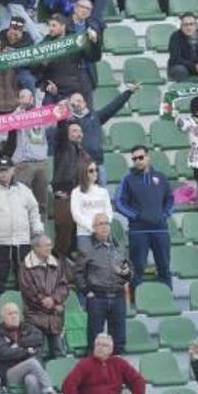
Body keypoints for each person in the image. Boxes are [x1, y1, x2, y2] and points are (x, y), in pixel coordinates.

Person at [0, 157, 44, 301]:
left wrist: (37, 229)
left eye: (6, 170)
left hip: (23, 242)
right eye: (0, 170)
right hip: (0, 243)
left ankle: (24, 311)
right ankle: (0, 311)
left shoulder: (24, 190)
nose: (3, 173)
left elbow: (34, 210)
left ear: (13, 170)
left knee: (25, 281)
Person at [114, 146, 174, 289]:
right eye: (134, 159)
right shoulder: (128, 179)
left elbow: (170, 199)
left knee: (164, 268)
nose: (138, 161)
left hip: (160, 230)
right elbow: (119, 202)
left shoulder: (161, 177)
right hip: (138, 231)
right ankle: (138, 304)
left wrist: (164, 215)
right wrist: (137, 216)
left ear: (148, 157)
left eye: (141, 157)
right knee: (137, 269)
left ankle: (167, 300)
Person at [75, 213, 131, 353]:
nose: (105, 226)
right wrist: (87, 292)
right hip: (97, 298)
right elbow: (78, 273)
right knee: (95, 339)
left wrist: (125, 278)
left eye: (107, 223)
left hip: (118, 297)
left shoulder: (118, 247)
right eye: (101, 224)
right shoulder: (87, 249)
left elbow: (127, 269)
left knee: (118, 340)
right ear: (94, 228)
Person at [0, 303, 66, 394]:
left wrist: (18, 344)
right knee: (32, 362)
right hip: (10, 373)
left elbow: (38, 338)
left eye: (16, 313)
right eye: (10, 314)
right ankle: (50, 392)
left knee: (31, 380)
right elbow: (4, 353)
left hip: (29, 371)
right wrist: (26, 351)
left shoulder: (26, 326)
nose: (14, 316)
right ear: (3, 318)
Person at [63, 333, 145, 394]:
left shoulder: (120, 363)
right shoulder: (84, 364)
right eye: (97, 344)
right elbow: (69, 384)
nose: (100, 347)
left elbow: (138, 381)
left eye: (104, 345)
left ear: (111, 349)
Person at [65, 86, 138, 184]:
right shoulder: (68, 121)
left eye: (80, 101)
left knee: (101, 196)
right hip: (78, 166)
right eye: (75, 101)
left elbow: (113, 107)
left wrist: (128, 93)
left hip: (98, 165)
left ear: (85, 103)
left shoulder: (95, 117)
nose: (78, 103)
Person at [19, 235, 67, 357]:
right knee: (37, 356)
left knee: (59, 353)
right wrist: (48, 303)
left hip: (55, 317)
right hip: (35, 316)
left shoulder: (57, 263)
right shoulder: (25, 266)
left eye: (50, 245)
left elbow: (63, 286)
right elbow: (29, 291)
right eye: (45, 245)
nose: (49, 248)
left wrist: (54, 299)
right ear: (36, 248)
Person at [5, 89, 50, 219]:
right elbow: (10, 122)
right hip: (24, 164)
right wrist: (21, 108)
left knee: (42, 202)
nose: (25, 99)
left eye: (27, 97)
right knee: (22, 201)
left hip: (41, 162)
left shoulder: (41, 114)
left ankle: (41, 232)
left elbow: (54, 119)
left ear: (33, 99)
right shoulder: (18, 114)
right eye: (21, 97)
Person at [39, 14, 101, 102]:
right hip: (53, 90)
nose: (51, 28)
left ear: (63, 26)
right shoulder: (45, 43)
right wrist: (46, 84)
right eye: (49, 26)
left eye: (54, 25)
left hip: (74, 89)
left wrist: (94, 43)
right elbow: (36, 68)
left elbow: (93, 57)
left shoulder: (76, 40)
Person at [53, 121, 89, 261]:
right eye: (74, 131)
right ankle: (59, 262)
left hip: (81, 195)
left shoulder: (83, 152)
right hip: (65, 194)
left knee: (78, 230)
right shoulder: (63, 146)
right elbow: (61, 131)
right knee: (65, 230)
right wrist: (62, 117)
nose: (78, 133)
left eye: (80, 131)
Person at [71, 161, 113, 253]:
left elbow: (109, 212)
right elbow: (76, 215)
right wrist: (93, 228)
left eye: (96, 170)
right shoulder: (76, 192)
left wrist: (103, 227)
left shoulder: (103, 191)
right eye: (91, 171)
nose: (95, 173)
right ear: (83, 172)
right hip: (84, 234)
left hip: (103, 234)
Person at [0, 17, 37, 92]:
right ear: (9, 29)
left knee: (28, 80)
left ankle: (31, 102)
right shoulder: (1, 36)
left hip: (21, 68)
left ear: (21, 32)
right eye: (11, 33)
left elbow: (31, 60)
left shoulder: (27, 39)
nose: (12, 37)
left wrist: (16, 54)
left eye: (16, 35)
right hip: (2, 68)